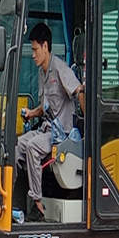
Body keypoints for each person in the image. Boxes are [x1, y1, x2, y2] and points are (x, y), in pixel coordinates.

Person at [16, 23, 85, 221]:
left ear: (45, 46)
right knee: (18, 145)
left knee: (32, 147)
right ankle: (10, 200)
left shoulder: (60, 68)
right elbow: (45, 106)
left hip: (61, 135)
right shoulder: (41, 73)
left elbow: (78, 90)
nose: (33, 54)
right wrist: (31, 113)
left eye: (35, 49)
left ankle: (37, 203)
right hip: (47, 129)